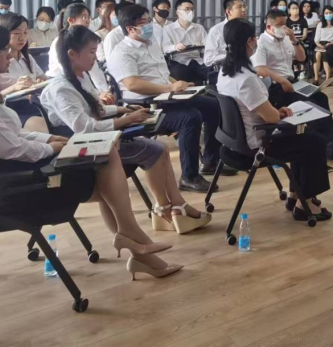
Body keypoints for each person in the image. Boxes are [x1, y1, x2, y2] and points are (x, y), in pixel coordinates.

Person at [0, 23, 180, 280]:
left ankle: (137, 245)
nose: (10, 56)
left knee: (107, 163)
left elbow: (13, 135)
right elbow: (14, 147)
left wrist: (49, 138)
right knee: (108, 167)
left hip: (8, 174)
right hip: (12, 189)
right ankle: (134, 238)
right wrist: (50, 147)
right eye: (3, 51)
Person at [41, 26, 210, 234]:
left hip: (100, 140)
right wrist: (126, 120)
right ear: (72, 54)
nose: (95, 57)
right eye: (91, 52)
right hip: (85, 148)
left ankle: (172, 206)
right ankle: (167, 209)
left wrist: (122, 109)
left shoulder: (80, 77)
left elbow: (96, 110)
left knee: (160, 149)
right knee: (155, 151)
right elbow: (85, 128)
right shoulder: (61, 88)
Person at [217, 19, 332, 222]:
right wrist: (278, 113)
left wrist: (276, 111)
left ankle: (296, 195)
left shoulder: (225, 72)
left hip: (233, 142)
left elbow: (257, 109)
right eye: (254, 38)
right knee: (313, 141)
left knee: (303, 137)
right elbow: (270, 118)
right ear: (250, 41)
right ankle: (306, 203)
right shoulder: (247, 78)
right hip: (256, 145)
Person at [106, 3, 226, 192]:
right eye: (144, 22)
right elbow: (133, 84)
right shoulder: (122, 52)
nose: (149, 25)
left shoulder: (151, 44)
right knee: (190, 117)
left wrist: (180, 84)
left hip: (169, 96)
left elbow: (162, 74)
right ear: (130, 28)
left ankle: (211, 160)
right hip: (147, 106)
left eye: (148, 20)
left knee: (214, 105)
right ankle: (189, 177)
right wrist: (170, 87)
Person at [254, 9, 333, 161]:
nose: (283, 27)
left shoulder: (286, 38)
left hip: (293, 82)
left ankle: (332, 142)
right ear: (269, 27)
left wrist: (294, 39)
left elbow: (301, 58)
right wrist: (282, 80)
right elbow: (260, 69)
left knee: (321, 98)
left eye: (285, 24)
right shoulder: (262, 42)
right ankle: (325, 146)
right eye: (279, 25)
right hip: (277, 86)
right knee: (311, 104)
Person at [45, 2, 112, 101]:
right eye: (84, 17)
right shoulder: (60, 41)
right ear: (71, 20)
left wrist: (105, 92)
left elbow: (95, 71)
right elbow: (67, 71)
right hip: (61, 85)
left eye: (89, 17)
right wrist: (96, 95)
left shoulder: (85, 40)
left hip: (78, 82)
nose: (88, 21)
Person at [0, 13, 46, 97]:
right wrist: (14, 88)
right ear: (3, 34)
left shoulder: (28, 58)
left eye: (25, 32)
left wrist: (39, 81)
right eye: (17, 33)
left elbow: (43, 78)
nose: (22, 38)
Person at [161, 0, 209, 83]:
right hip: (179, 61)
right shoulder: (168, 29)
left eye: (192, 9)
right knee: (180, 73)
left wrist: (201, 46)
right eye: (187, 9)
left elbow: (208, 47)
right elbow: (165, 47)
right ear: (178, 12)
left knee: (210, 73)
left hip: (198, 60)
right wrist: (175, 47)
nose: (190, 12)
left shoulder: (199, 28)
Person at [204, 0, 247, 67]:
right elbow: (208, 59)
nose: (244, 10)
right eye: (239, 7)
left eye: (244, 6)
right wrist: (230, 56)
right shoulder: (216, 31)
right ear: (228, 11)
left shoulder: (246, 28)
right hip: (225, 68)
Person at [312, 7, 333, 87]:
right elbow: (316, 39)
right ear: (323, 14)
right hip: (321, 44)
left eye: (330, 13)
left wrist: (330, 43)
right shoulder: (320, 24)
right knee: (317, 54)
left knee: (325, 54)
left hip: (332, 44)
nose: (328, 14)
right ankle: (316, 79)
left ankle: (327, 79)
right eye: (326, 13)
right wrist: (319, 45)